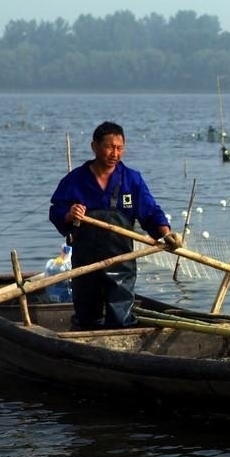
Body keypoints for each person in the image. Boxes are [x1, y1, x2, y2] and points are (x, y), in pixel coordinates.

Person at [50, 121, 182, 330]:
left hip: (121, 263)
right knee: (87, 316)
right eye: (109, 147)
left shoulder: (131, 180)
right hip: (86, 263)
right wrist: (69, 214)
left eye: (120, 148)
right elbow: (56, 210)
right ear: (95, 147)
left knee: (121, 318)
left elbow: (151, 212)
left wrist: (166, 233)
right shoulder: (75, 180)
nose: (115, 153)